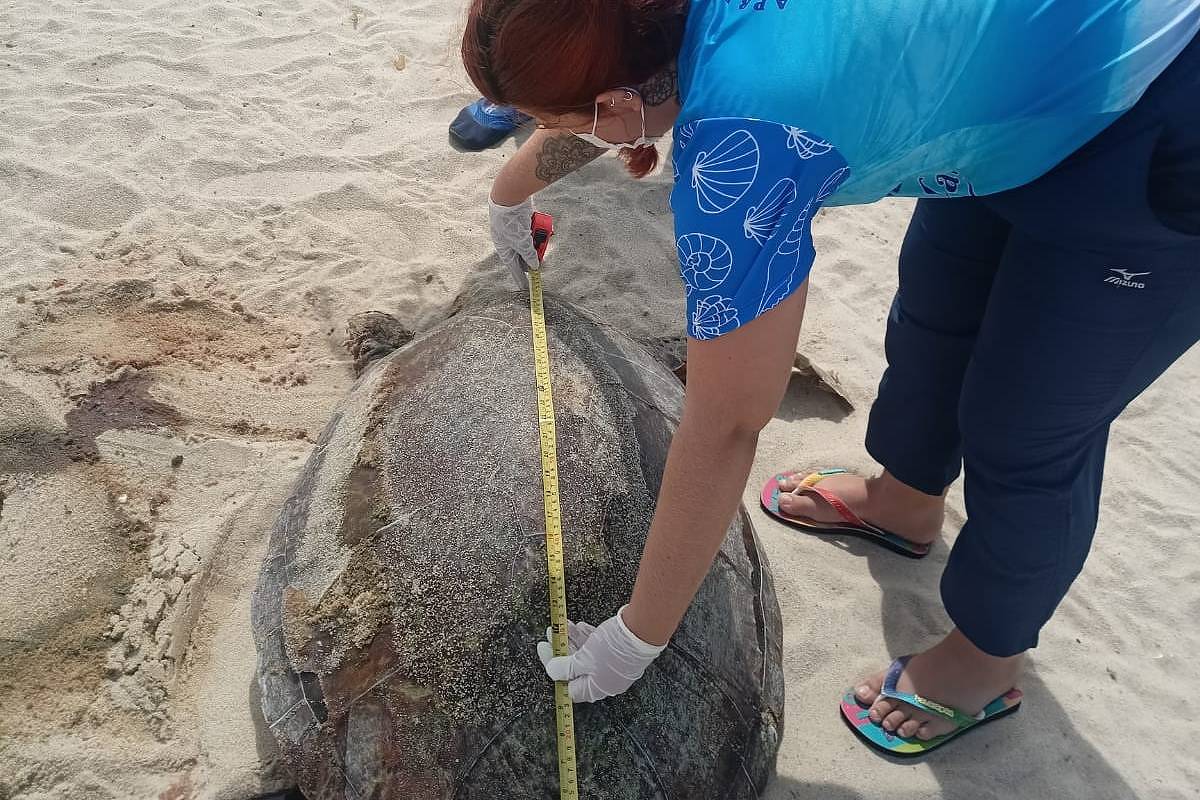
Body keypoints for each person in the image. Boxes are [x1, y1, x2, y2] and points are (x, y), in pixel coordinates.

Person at [461, 0, 1200, 756]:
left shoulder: (740, 142)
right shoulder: (655, 22)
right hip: (1001, 88)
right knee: (936, 314)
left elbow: (727, 420)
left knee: (1029, 423)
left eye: (571, 123)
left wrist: (637, 635)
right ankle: (905, 500)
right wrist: (510, 191)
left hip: (1160, 110)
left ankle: (987, 653)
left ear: (614, 103)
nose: (573, 135)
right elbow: (618, 69)